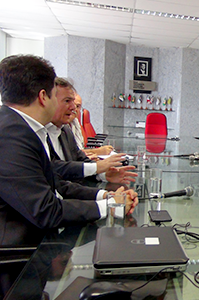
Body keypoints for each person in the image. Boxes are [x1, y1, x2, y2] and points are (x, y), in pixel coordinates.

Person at [0, 55, 138, 296]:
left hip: (39, 244)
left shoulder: (22, 129)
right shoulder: (11, 134)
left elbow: (58, 185)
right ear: (43, 97)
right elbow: (46, 211)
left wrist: (105, 196)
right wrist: (110, 206)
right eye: (57, 95)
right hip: (20, 259)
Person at [47, 78, 137, 184]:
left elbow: (79, 159)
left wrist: (104, 174)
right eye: (67, 101)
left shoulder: (65, 130)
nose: (73, 108)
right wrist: (97, 166)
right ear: (48, 101)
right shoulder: (38, 134)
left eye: (75, 104)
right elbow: (55, 169)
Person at [69, 92, 113, 157]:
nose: (74, 109)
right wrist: (97, 152)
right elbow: (71, 154)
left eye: (78, 106)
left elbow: (79, 151)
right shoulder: (62, 127)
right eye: (70, 104)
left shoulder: (75, 123)